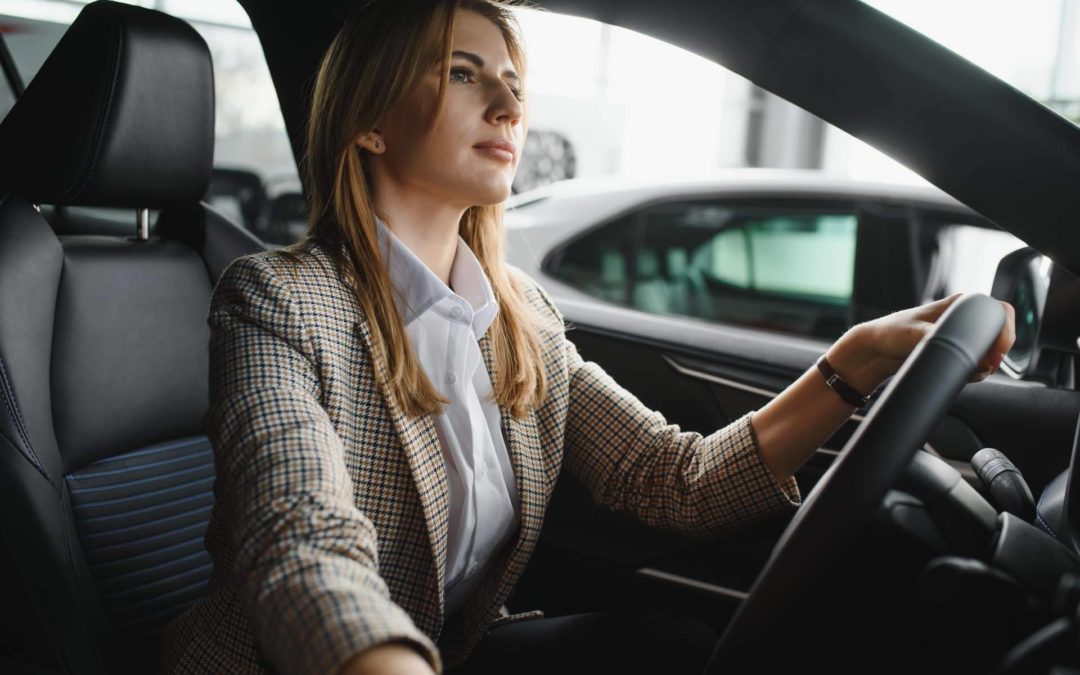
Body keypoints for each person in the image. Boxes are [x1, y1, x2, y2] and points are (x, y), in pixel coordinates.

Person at [158, 1, 1017, 673]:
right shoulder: (278, 298)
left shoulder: (517, 312)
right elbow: (298, 534)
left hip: (451, 650)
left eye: (512, 82)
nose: (506, 104)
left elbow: (674, 480)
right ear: (371, 121)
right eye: (464, 75)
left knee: (672, 647)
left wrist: (856, 358)